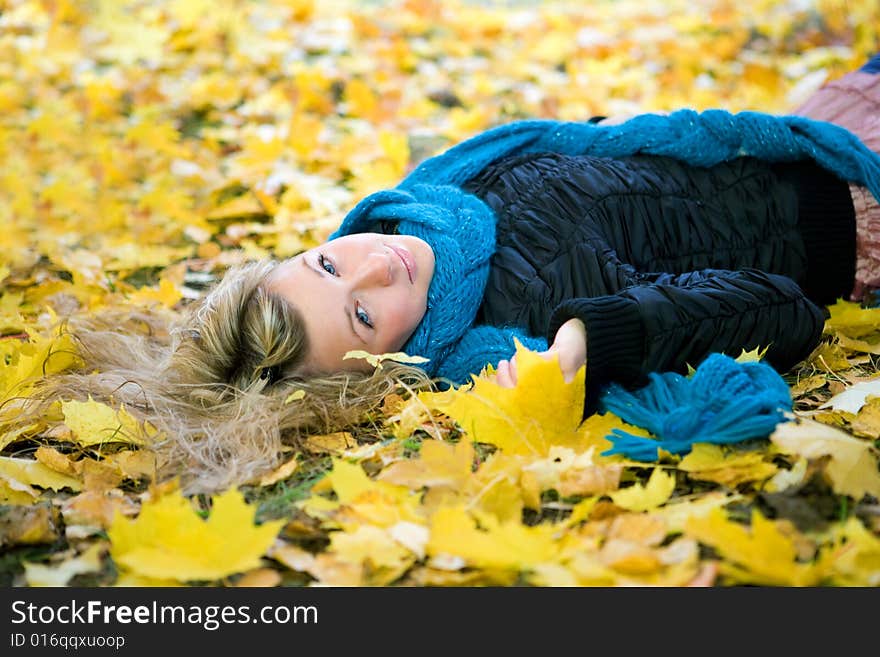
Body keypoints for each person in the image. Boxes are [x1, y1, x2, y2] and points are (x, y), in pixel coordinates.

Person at [15, 54, 880, 493]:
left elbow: (587, 163)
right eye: (360, 316)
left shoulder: (425, 200)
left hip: (798, 129)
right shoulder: (493, 345)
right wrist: (594, 337)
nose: (375, 268)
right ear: (379, 368)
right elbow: (782, 308)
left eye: (326, 262)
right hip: (851, 212)